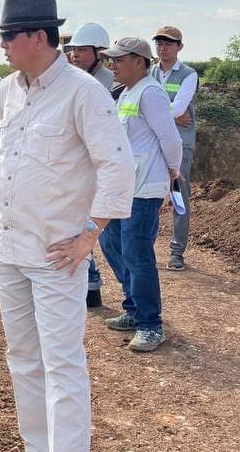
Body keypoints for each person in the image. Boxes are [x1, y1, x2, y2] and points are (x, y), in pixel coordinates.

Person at [0, 0, 134, 452]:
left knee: (63, 364)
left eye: (9, 36)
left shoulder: (83, 92)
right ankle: (40, 447)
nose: (3, 45)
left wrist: (89, 235)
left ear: (38, 37)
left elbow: (116, 165)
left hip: (57, 254)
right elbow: (3, 155)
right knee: (22, 353)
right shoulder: (7, 90)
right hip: (9, 246)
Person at [99, 37, 183, 352]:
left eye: (118, 60)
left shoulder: (151, 93)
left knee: (137, 253)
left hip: (145, 188)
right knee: (110, 242)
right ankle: (134, 307)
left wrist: (173, 171)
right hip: (124, 186)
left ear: (139, 61)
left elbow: (170, 138)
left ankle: (150, 324)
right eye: (111, 60)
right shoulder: (127, 93)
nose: (112, 65)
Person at [64, 22, 114, 308]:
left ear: (99, 52)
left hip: (99, 166)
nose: (75, 55)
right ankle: (91, 286)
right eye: (73, 50)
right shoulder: (73, 81)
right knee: (79, 224)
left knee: (99, 231)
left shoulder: (110, 84)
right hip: (78, 164)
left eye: (81, 50)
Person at [151, 26, 199, 271]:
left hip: (180, 143)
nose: (162, 47)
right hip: (153, 142)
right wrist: (170, 115)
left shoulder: (189, 75)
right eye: (159, 43)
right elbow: (139, 104)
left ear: (179, 46)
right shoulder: (150, 72)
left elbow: (180, 109)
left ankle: (177, 252)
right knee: (147, 195)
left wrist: (157, 112)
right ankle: (145, 247)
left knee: (178, 196)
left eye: (168, 43)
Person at [65, 22, 114, 92]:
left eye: (81, 49)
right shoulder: (69, 80)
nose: (74, 54)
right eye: (73, 49)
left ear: (100, 53)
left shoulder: (113, 82)